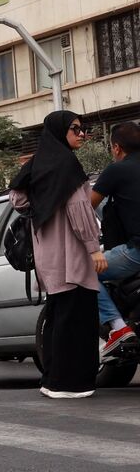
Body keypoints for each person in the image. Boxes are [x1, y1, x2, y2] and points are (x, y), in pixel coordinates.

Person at [9, 110, 104, 399]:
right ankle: (70, 383)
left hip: (47, 258)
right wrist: (94, 249)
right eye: (75, 129)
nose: (81, 134)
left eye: (82, 128)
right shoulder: (67, 165)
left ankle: (51, 380)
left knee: (58, 318)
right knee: (78, 321)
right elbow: (79, 211)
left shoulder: (40, 164)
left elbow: (17, 198)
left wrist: (43, 208)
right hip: (72, 256)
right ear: (59, 131)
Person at [91, 121, 140, 357]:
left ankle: (118, 328)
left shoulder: (116, 170)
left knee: (82, 271)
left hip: (136, 252)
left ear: (117, 148)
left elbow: (85, 207)